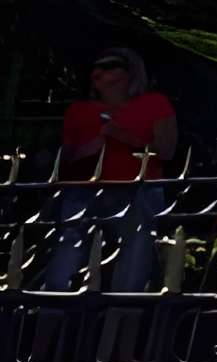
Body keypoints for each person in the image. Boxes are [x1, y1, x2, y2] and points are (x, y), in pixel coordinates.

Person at [49, 48, 177, 292]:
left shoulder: (154, 103)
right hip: (86, 189)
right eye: (96, 66)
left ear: (130, 71)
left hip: (137, 189)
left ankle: (123, 309)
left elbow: (167, 150)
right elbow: (64, 160)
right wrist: (89, 149)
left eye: (110, 65)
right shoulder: (79, 110)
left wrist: (124, 137)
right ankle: (54, 306)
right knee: (69, 248)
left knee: (136, 249)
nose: (99, 72)